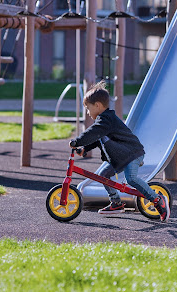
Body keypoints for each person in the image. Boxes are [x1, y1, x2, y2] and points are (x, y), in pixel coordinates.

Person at [69, 81, 170, 221]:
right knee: (103, 175)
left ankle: (157, 199)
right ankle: (116, 203)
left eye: (88, 108)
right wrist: (85, 148)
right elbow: (99, 138)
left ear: (97, 105)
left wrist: (78, 141)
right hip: (123, 156)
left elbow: (93, 132)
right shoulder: (104, 121)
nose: (87, 112)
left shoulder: (106, 120)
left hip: (133, 153)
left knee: (131, 179)